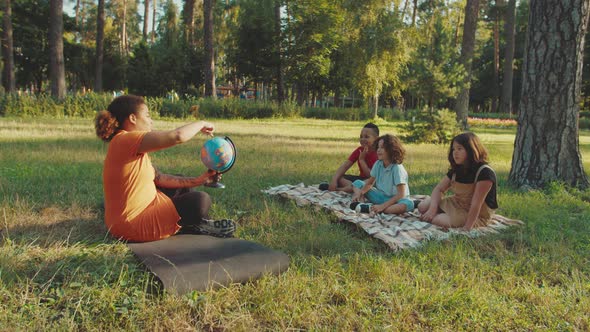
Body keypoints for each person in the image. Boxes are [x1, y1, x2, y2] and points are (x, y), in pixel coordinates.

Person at [94, 95, 236, 242]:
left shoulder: (124, 143)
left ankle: (195, 224)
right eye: (147, 115)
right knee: (200, 201)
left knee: (183, 186)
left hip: (125, 221)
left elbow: (159, 178)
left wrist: (198, 180)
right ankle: (197, 225)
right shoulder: (125, 140)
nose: (151, 121)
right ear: (132, 118)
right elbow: (177, 136)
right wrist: (201, 123)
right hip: (134, 226)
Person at [418, 132, 497, 230]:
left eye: (459, 149)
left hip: (475, 212)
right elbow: (439, 189)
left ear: (472, 150)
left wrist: (467, 227)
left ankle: (443, 215)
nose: (455, 153)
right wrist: (432, 210)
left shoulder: (484, 172)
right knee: (422, 207)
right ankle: (440, 212)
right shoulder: (457, 169)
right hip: (457, 203)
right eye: (453, 149)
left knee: (438, 220)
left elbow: (477, 203)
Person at [349, 134, 414, 215]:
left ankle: (371, 209)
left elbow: (401, 194)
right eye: (378, 147)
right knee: (357, 183)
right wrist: (360, 193)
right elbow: (369, 183)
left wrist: (382, 206)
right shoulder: (378, 164)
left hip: (397, 200)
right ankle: (361, 204)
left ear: (391, 150)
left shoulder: (397, 168)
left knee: (407, 205)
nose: (378, 150)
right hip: (381, 197)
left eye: (382, 148)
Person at [320, 123, 380, 192]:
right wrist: (334, 180)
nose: (363, 139)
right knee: (340, 177)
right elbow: (345, 166)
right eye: (361, 137)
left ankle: (340, 189)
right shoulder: (359, 150)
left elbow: (370, 176)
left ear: (377, 139)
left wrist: (362, 160)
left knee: (370, 182)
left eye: (366, 137)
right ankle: (351, 188)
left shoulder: (379, 153)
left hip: (372, 180)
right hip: (361, 179)